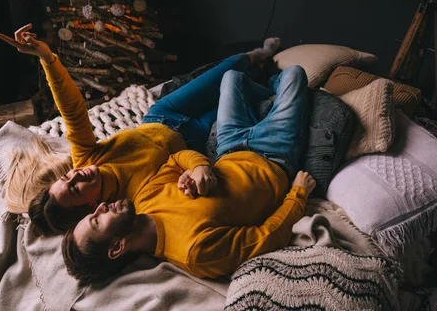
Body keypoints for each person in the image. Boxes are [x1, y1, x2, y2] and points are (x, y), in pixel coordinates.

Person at [0, 23, 280, 234]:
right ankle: (267, 78)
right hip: (190, 139)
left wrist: (48, 58)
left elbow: (72, 110)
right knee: (242, 95)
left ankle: (258, 56)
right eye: (75, 189)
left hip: (162, 116)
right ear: (89, 208)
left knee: (230, 67)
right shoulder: (130, 203)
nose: (76, 175)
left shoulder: (86, 158)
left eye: (67, 177)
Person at [62, 65, 316, 284]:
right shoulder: (196, 253)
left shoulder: (143, 200)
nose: (101, 207)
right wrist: (298, 194)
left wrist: (197, 168)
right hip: (274, 156)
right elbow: (265, 237)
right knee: (295, 73)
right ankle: (276, 94)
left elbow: (175, 159)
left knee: (232, 78)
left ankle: (270, 93)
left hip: (229, 147)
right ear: (117, 247)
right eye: (96, 220)